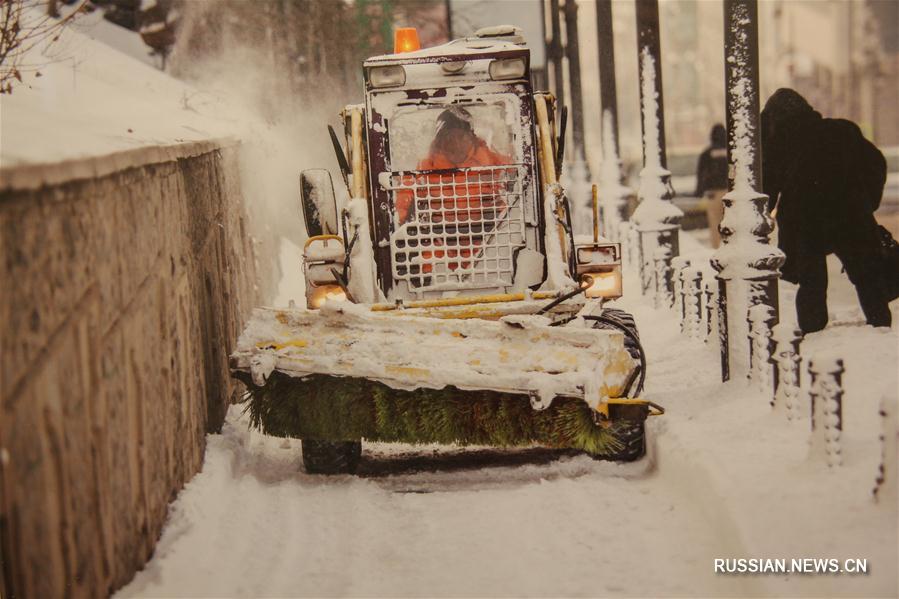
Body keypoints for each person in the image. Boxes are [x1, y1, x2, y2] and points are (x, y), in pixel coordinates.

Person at [761, 88, 891, 333]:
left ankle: (814, 333)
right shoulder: (843, 131)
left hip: (805, 222)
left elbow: (768, 185)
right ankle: (881, 326)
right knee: (867, 277)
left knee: (811, 281)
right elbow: (876, 165)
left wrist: (762, 216)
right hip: (851, 216)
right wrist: (867, 201)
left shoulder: (779, 144)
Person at [395, 106, 511, 273]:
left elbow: (519, 183)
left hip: (487, 244)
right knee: (424, 260)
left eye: (461, 136)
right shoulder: (425, 168)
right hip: (442, 243)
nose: (456, 142)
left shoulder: (493, 163)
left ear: (471, 137)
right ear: (440, 139)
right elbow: (405, 204)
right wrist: (403, 212)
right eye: (449, 136)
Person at [695, 123, 728, 248]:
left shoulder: (706, 154)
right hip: (729, 192)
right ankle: (730, 245)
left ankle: (716, 247)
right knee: (731, 221)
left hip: (713, 193)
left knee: (715, 222)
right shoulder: (731, 152)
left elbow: (701, 173)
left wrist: (699, 191)